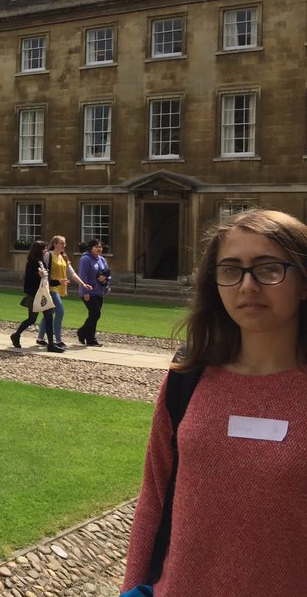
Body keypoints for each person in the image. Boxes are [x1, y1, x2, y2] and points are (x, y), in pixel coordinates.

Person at [121, 209, 307, 596]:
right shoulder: (187, 379)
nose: (248, 285)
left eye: (269, 268)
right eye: (231, 269)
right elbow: (154, 498)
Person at [35, 235, 91, 348]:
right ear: (55, 244)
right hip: (50, 287)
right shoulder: (48, 255)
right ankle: (57, 339)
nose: (63, 245)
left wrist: (82, 284)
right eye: (61, 243)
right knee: (60, 311)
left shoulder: (63, 256)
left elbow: (71, 272)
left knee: (49, 313)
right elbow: (41, 269)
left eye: (64, 243)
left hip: (60, 288)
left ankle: (40, 338)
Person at [9, 241, 62, 351]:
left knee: (48, 317)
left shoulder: (42, 262)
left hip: (43, 294)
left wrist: (58, 282)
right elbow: (28, 279)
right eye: (44, 249)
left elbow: (46, 279)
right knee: (32, 319)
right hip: (34, 294)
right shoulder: (32, 263)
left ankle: (51, 344)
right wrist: (37, 275)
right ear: (39, 250)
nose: (46, 251)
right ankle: (16, 335)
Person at [77, 238, 110, 346]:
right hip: (89, 292)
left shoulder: (102, 259)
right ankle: (82, 332)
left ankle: (91, 339)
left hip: (99, 291)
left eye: (100, 247)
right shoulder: (85, 259)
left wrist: (105, 279)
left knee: (94, 315)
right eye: (96, 247)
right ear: (91, 248)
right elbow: (83, 276)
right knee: (96, 313)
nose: (99, 249)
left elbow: (107, 272)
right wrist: (85, 292)